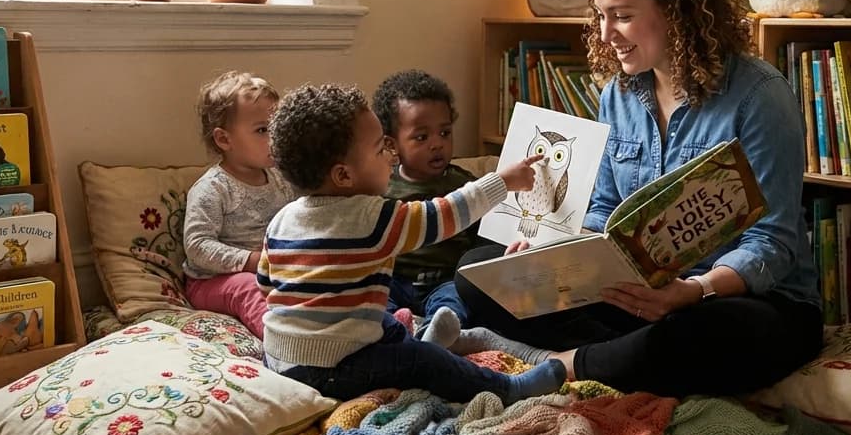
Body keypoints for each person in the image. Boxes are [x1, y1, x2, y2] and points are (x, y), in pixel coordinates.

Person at [453, 0, 823, 398]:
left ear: (676, 12)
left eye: (622, 16)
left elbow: (773, 242)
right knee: (478, 272)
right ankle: (625, 359)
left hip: (745, 299)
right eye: (601, 16)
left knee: (701, 334)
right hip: (642, 293)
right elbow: (606, 207)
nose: (606, 34)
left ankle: (564, 364)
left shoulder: (759, 97)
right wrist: (551, 252)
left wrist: (693, 290)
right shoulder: (619, 94)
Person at [259, 83, 565, 403]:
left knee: (389, 325)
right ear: (343, 175)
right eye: (381, 150)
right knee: (421, 360)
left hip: (278, 357)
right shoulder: (373, 218)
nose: (391, 158)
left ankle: (424, 336)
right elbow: (445, 214)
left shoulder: (282, 219)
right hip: (329, 370)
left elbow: (267, 284)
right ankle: (507, 388)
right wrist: (502, 181)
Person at [374, 69, 497, 328]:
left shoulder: (464, 185)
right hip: (395, 279)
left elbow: (483, 233)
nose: (437, 144)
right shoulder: (383, 185)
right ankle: (394, 327)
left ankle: (437, 330)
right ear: (392, 145)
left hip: (444, 280)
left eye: (444, 133)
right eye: (422, 137)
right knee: (374, 301)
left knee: (454, 303)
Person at [181, 71, 295, 339]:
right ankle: (281, 341)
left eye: (277, 126)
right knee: (247, 288)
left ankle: (373, 323)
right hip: (213, 281)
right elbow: (197, 246)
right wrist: (250, 261)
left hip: (272, 270)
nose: (275, 137)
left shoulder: (280, 179)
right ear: (224, 140)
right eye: (262, 130)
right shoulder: (214, 188)